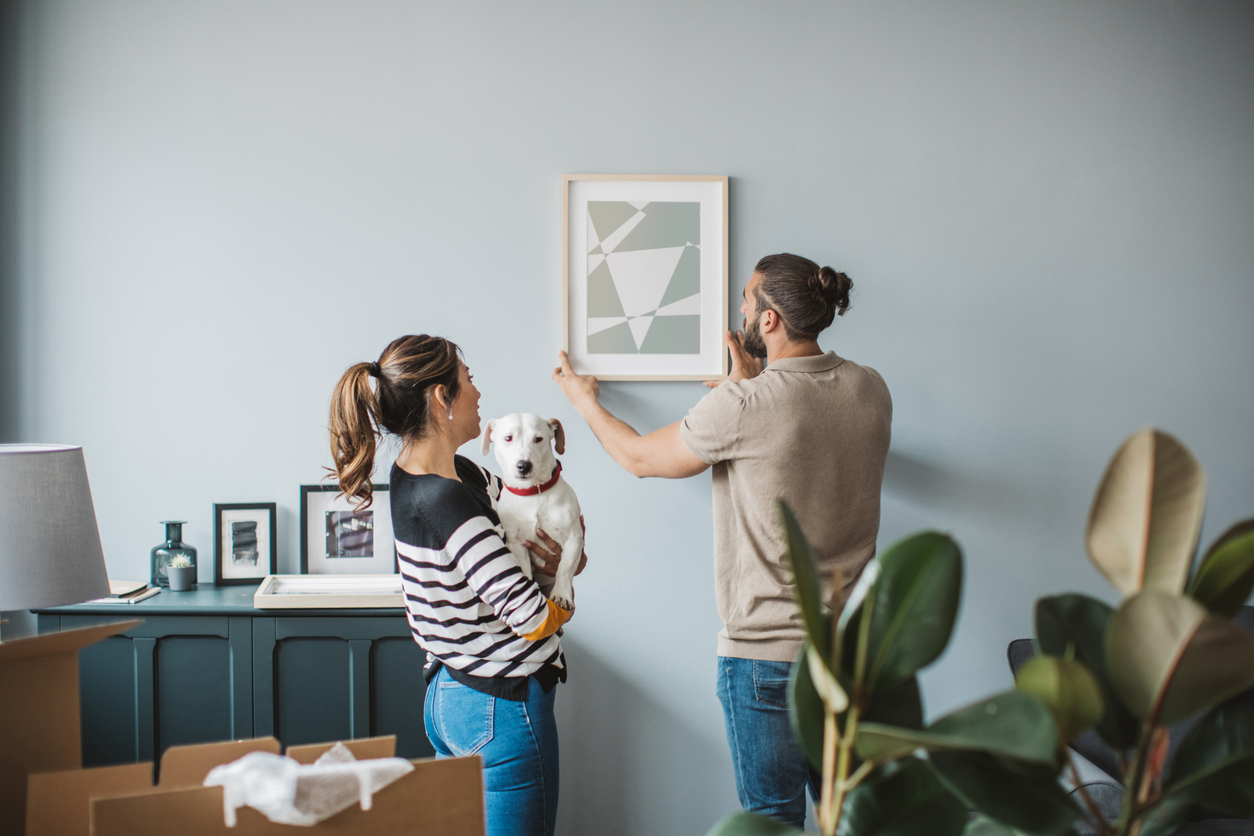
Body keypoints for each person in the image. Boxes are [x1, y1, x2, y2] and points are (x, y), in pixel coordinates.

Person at [551, 253, 891, 828]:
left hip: (766, 663)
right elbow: (801, 426)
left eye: (746, 300)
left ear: (770, 321)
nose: (740, 309)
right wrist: (750, 389)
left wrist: (583, 400)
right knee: (860, 822)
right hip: (848, 659)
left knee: (771, 825)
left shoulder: (744, 405)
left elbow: (638, 458)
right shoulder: (870, 389)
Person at [328, 334, 585, 836]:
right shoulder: (446, 502)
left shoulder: (440, 475)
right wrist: (564, 594)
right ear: (441, 398)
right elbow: (532, 617)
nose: (478, 394)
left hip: (450, 694)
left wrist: (563, 552)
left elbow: (531, 526)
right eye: (468, 382)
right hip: (500, 705)